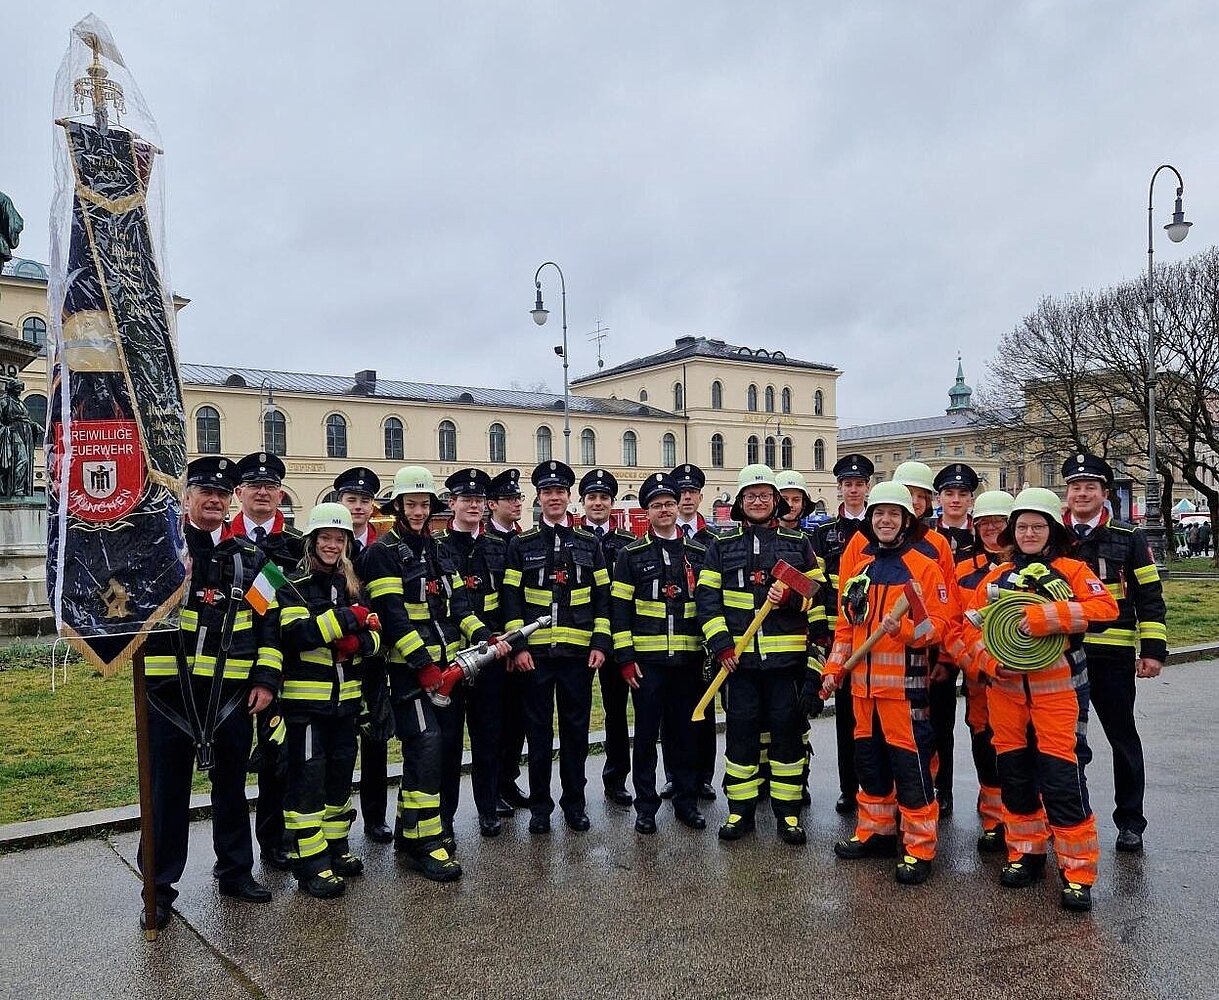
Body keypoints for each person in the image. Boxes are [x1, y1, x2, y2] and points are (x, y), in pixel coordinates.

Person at [956, 487, 1118, 911]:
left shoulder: (1072, 571)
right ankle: (1025, 854)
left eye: (1037, 526)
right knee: (1015, 777)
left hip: (1059, 693)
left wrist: (1045, 617)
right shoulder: (996, 578)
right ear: (1013, 533)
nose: (1029, 533)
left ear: (1053, 530)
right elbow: (966, 631)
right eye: (1022, 527)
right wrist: (991, 663)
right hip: (1005, 694)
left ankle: (1076, 872)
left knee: (1063, 780)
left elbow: (1105, 609)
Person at [139, 457, 280, 930]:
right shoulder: (160, 551)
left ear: (230, 500)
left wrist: (266, 680)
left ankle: (235, 872)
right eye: (206, 493)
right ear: (187, 498)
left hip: (231, 697)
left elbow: (271, 624)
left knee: (232, 788)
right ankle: (158, 888)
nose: (215, 501)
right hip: (167, 695)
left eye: (222, 494)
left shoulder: (254, 560)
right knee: (166, 793)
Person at [360, 466, 504, 880]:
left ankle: (413, 833)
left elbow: (459, 607)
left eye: (424, 504)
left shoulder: (438, 550)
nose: (419, 511)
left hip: (448, 671)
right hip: (408, 673)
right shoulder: (382, 553)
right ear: (398, 506)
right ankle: (425, 843)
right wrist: (422, 666)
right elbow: (393, 617)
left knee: (440, 752)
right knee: (425, 748)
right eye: (411, 504)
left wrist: (486, 637)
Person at [819, 481, 952, 885]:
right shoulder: (860, 570)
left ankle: (919, 847)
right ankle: (876, 832)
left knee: (911, 770)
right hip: (862, 690)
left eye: (894, 514)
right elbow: (846, 629)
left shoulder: (923, 568)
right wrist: (833, 671)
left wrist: (906, 630)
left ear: (907, 520)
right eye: (879, 513)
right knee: (869, 765)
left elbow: (939, 628)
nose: (886, 520)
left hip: (903, 692)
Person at [695, 464, 826, 845]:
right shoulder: (721, 546)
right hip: (740, 665)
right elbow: (707, 599)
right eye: (751, 496)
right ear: (740, 502)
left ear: (776, 501)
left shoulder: (797, 544)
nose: (757, 501)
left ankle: (788, 813)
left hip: (786, 665)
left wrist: (790, 598)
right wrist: (721, 644)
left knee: (787, 738)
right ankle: (741, 810)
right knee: (741, 738)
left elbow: (818, 595)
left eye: (765, 495)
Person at [1061, 453, 1167, 853]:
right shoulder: (1056, 536)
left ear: (1105, 493)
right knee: (1065, 743)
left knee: (1122, 740)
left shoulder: (1130, 537)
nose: (1082, 494)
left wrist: (1153, 651)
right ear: (1067, 493)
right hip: (1063, 656)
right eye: (1075, 487)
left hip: (1113, 658)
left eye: (1090, 487)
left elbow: (1149, 597)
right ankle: (1070, 816)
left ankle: (1131, 822)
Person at [277, 503, 381, 898]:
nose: (332, 545)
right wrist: (349, 620)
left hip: (346, 703)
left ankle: (336, 847)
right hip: (305, 707)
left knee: (339, 780)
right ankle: (310, 862)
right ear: (312, 540)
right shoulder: (293, 585)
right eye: (326, 538)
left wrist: (354, 641)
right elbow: (296, 635)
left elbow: (377, 638)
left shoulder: (353, 586)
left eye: (339, 539)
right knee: (308, 782)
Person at [502, 460, 611, 834]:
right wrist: (517, 646)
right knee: (538, 735)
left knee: (576, 735)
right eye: (547, 492)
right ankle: (540, 808)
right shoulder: (521, 544)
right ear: (539, 497)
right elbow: (511, 599)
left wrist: (600, 643)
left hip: (578, 657)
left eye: (560, 492)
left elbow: (602, 598)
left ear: (568, 497)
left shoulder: (589, 544)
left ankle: (575, 805)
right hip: (535, 657)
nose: (554, 497)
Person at [611, 472, 709, 833]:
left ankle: (686, 802)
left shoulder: (698, 553)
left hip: (688, 661)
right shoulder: (631, 555)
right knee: (646, 737)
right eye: (656, 505)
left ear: (677, 507)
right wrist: (625, 658)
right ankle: (646, 807)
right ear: (647, 513)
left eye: (669, 503)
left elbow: (708, 606)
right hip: (647, 664)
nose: (664, 510)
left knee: (685, 735)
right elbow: (619, 610)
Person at [229, 451, 303, 872]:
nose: (263, 492)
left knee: (280, 756)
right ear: (239, 493)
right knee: (231, 764)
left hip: (284, 665)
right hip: (233, 665)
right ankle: (233, 855)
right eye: (255, 486)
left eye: (270, 486)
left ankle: (275, 839)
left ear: (279, 494)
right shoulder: (222, 540)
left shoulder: (295, 545)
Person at [434, 468, 513, 837]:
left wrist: (506, 643)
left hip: (491, 658)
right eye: (466, 499)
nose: (474, 505)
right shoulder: (437, 547)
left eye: (479, 500)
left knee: (488, 739)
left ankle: (488, 808)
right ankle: (445, 817)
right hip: (451, 658)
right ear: (452, 503)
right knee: (448, 744)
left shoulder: (500, 547)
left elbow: (510, 599)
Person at [945, 489, 1018, 853]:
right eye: (985, 523)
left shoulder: (1032, 566)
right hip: (979, 680)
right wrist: (971, 662)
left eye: (999, 522)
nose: (991, 529)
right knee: (985, 744)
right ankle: (993, 819)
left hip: (1024, 682)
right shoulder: (961, 568)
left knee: (1021, 749)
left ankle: (1024, 818)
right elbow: (951, 626)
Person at [333, 467, 393, 845]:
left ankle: (375, 817)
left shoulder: (382, 546)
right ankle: (332, 821)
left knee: (375, 738)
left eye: (364, 501)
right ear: (339, 502)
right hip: (334, 659)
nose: (358, 506)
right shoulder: (323, 540)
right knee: (336, 745)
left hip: (373, 656)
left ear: (373, 507)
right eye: (351, 499)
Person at [810, 453, 874, 815]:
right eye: (847, 484)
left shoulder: (879, 527)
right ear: (840, 488)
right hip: (841, 636)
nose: (853, 490)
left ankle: (874, 788)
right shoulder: (824, 534)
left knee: (874, 719)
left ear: (867, 487)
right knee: (846, 718)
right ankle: (849, 789)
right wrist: (822, 632)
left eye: (859, 484)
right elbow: (819, 587)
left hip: (876, 637)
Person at [579, 467, 638, 808]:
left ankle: (616, 779)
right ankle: (576, 784)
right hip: (580, 637)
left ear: (612, 503)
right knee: (578, 713)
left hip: (617, 639)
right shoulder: (572, 539)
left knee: (616, 712)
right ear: (582, 503)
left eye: (604, 497)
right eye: (592, 497)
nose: (598, 503)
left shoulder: (628, 543)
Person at [663, 463, 719, 802]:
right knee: (671, 714)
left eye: (692, 492)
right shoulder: (663, 534)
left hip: (703, 640)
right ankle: (673, 775)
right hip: (670, 639)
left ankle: (704, 776)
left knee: (704, 708)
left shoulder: (712, 541)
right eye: (681, 493)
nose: (686, 498)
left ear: (700, 496)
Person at [485, 468, 529, 814]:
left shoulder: (522, 538)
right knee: (494, 722)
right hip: (491, 644)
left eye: (518, 497)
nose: (517, 503)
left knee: (518, 719)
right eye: (510, 499)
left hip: (518, 642)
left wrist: (519, 644)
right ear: (492, 504)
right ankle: (494, 786)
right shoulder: (485, 541)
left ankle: (509, 779)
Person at [932, 463, 980, 561]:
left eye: (962, 494)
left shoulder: (982, 536)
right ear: (938, 499)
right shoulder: (925, 534)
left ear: (971, 501)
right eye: (949, 494)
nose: (956, 500)